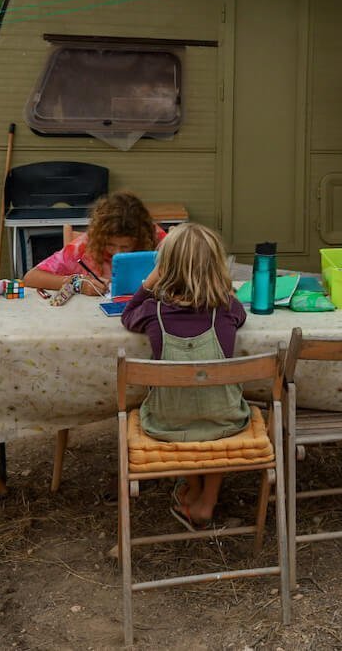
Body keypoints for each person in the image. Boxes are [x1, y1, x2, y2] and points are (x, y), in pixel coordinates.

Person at [120, 222, 249, 529]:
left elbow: (127, 315)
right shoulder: (227, 307)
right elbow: (241, 316)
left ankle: (192, 486)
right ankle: (207, 500)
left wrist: (149, 283)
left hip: (167, 422)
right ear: (216, 265)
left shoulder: (154, 311)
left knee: (186, 410)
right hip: (226, 422)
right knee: (212, 411)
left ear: (166, 268)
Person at [23, 190, 165, 296]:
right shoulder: (85, 246)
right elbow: (31, 277)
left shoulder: (154, 237)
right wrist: (79, 284)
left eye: (125, 246)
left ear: (140, 238)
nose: (117, 252)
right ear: (100, 236)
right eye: (110, 245)